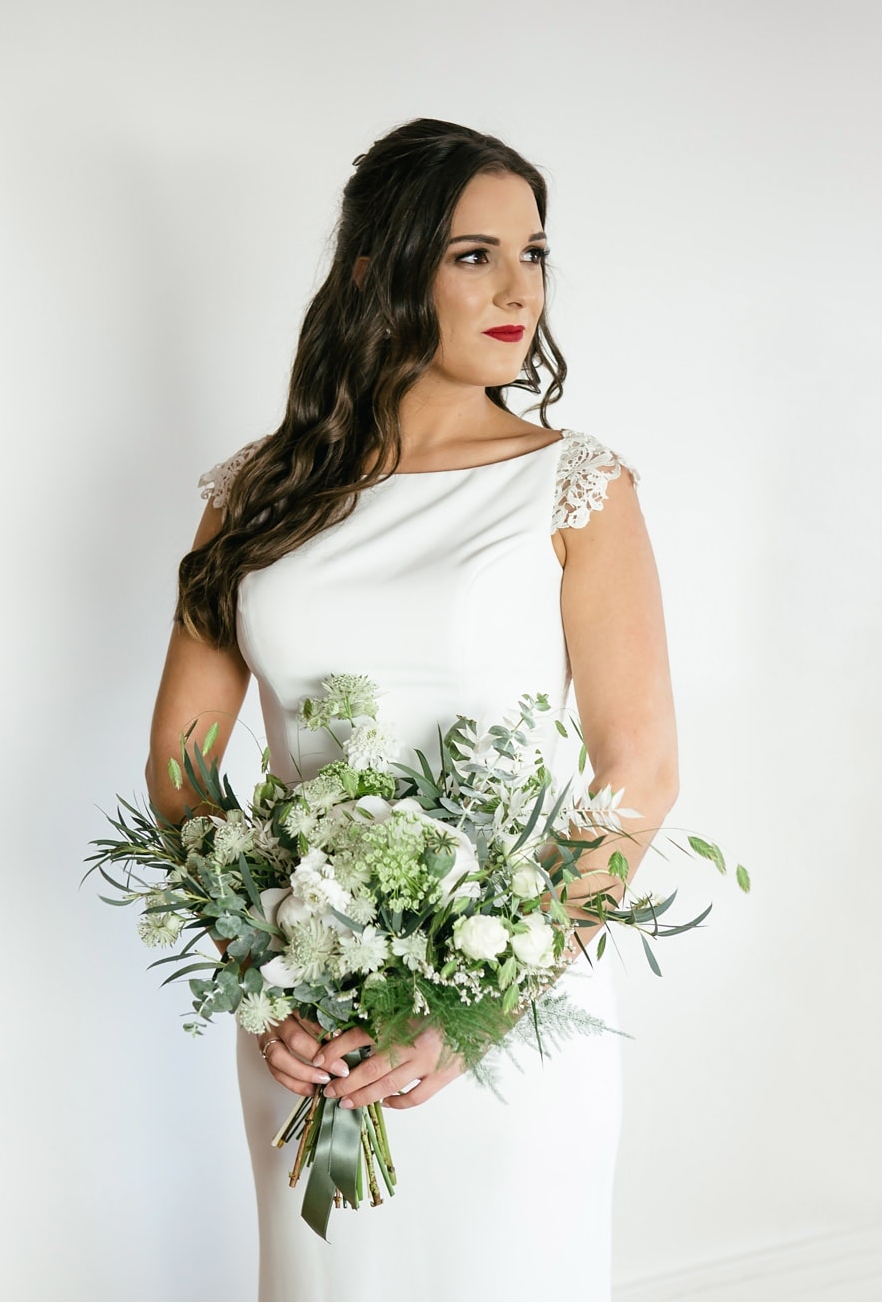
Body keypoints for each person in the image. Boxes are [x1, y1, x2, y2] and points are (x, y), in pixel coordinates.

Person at [146, 118, 677, 1303]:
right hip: (307, 1023)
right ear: (376, 273)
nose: (517, 289)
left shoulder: (573, 486)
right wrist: (264, 972)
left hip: (512, 1020)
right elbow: (181, 763)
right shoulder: (256, 497)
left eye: (531, 253)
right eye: (472, 255)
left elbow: (635, 765)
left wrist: (468, 1007)